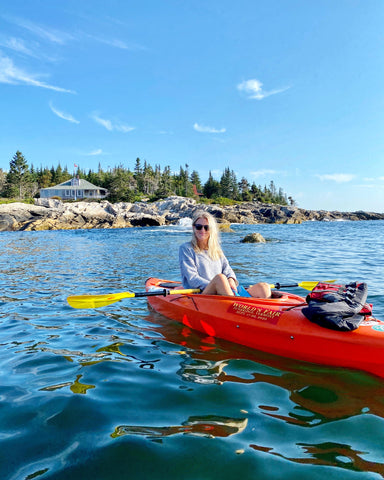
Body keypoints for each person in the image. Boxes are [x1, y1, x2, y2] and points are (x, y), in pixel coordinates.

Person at [179, 210, 271, 298]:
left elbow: (227, 268)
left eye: (206, 227)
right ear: (193, 228)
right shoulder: (186, 249)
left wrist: (231, 279)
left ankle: (266, 312)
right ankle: (236, 308)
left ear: (211, 230)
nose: (202, 230)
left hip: (225, 291)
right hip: (202, 293)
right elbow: (192, 278)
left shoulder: (216, 249)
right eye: (199, 227)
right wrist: (218, 285)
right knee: (220, 278)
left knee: (264, 287)